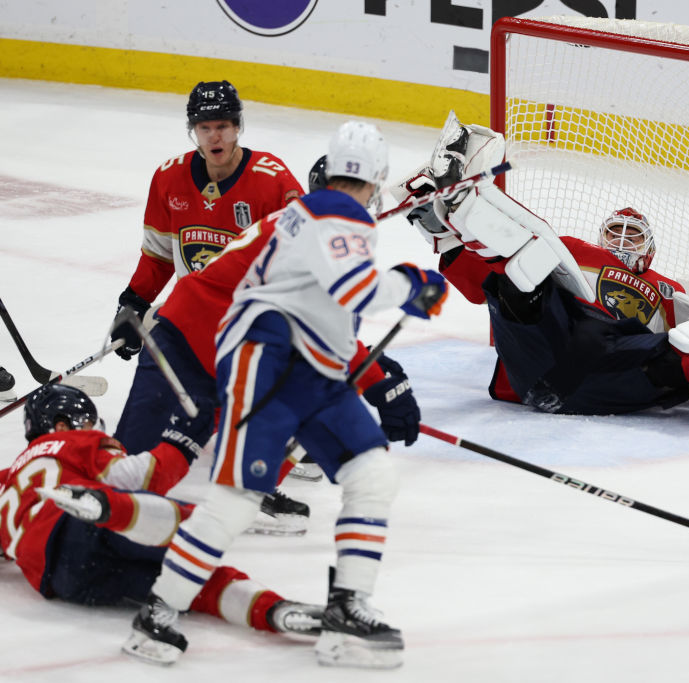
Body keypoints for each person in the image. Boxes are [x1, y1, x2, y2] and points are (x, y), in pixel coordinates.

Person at [122, 120, 448, 668]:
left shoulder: (309, 214)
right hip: (265, 356)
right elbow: (357, 291)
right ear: (377, 177)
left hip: (306, 365)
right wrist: (413, 284)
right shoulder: (337, 214)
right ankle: (158, 611)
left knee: (372, 473)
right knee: (235, 496)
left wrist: (376, 380)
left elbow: (332, 314)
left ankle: (347, 611)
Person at [393, 112, 689, 447]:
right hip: (549, 350)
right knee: (521, 276)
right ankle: (447, 215)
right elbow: (481, 286)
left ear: (650, 247)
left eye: (633, 235)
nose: (622, 241)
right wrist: (453, 248)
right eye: (615, 232)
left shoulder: (665, 288)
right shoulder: (573, 252)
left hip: (608, 369)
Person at [110, 155, 421, 535]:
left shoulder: (294, 223)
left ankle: (249, 484)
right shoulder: (320, 243)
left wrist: (375, 376)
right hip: (202, 340)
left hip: (195, 334)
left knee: (137, 463)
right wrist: (379, 383)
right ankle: (249, 486)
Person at [0, 383, 322, 642]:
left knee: (180, 581)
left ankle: (274, 611)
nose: (92, 428)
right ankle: (272, 607)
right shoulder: (73, 442)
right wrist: (181, 443)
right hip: (84, 526)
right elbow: (135, 477)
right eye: (86, 421)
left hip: (66, 582)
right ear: (60, 425)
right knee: (192, 567)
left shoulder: (9, 478)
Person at [108, 79, 302, 363]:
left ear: (237, 127)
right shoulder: (169, 178)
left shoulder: (272, 180)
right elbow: (159, 255)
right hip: (193, 316)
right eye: (204, 128)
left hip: (253, 324)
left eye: (222, 126)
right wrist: (134, 303)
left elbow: (303, 258)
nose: (214, 137)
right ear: (193, 130)